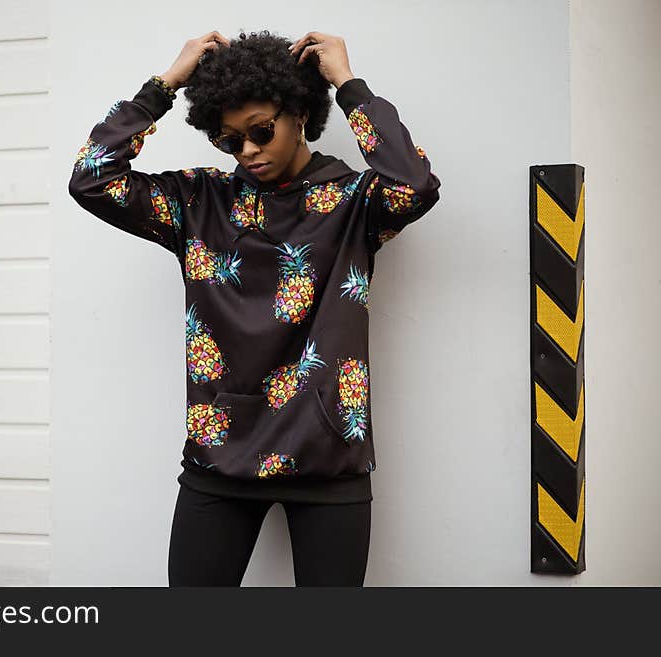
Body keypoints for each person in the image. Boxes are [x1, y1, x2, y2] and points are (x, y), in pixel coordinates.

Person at [69, 29, 441, 586]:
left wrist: (347, 83)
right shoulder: (197, 203)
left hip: (328, 462)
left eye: (261, 131)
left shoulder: (354, 203)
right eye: (228, 140)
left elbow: (414, 185)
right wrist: (165, 84)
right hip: (219, 461)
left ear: (298, 114)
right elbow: (92, 179)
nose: (248, 151)